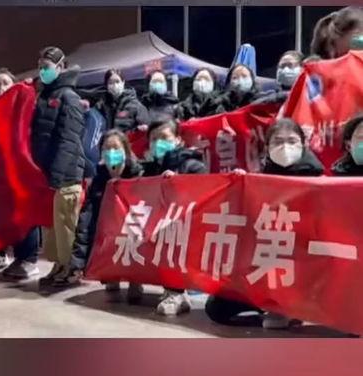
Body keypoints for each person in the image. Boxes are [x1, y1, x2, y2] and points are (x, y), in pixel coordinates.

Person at [205, 119, 324, 331]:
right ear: (267, 147)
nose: (285, 147)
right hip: (265, 265)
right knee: (217, 309)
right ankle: (269, 311)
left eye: (291, 141)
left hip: (301, 269)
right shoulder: (259, 179)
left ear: (303, 144)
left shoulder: (321, 181)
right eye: (278, 141)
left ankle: (290, 308)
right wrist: (238, 188)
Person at [63, 129, 144, 294]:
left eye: (116, 148)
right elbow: (87, 217)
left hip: (133, 227)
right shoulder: (99, 177)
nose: (111, 152)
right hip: (109, 229)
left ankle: (135, 281)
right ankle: (111, 276)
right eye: (107, 148)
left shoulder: (138, 174)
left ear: (125, 150)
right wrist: (78, 260)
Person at [31, 46, 85, 286]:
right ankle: (58, 264)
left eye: (46, 67)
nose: (42, 71)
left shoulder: (69, 98)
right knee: (52, 225)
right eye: (40, 67)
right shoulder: (44, 95)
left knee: (66, 224)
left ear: (61, 67)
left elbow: (69, 140)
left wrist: (58, 173)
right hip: (48, 173)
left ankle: (71, 267)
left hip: (66, 173)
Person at [143, 117, 206, 317]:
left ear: (178, 139)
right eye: (153, 139)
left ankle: (176, 293)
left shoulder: (192, 165)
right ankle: (172, 290)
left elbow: (204, 195)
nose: (158, 143)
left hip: (187, 228)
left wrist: (178, 184)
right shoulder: (150, 168)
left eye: (164, 137)